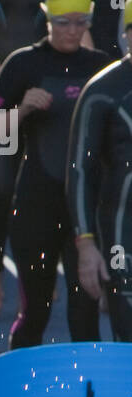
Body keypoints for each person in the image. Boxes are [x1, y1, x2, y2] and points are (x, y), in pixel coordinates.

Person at [0, 0, 107, 348]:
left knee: (85, 310)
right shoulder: (24, 63)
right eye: (63, 23)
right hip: (36, 202)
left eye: (80, 22)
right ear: (48, 20)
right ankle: (24, 391)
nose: (72, 30)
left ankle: (90, 396)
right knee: (36, 309)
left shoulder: (101, 67)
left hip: (85, 208)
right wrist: (22, 109)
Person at [67, 1, 132, 340]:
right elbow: (80, 170)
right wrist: (86, 244)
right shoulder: (102, 92)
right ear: (126, 36)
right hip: (123, 237)